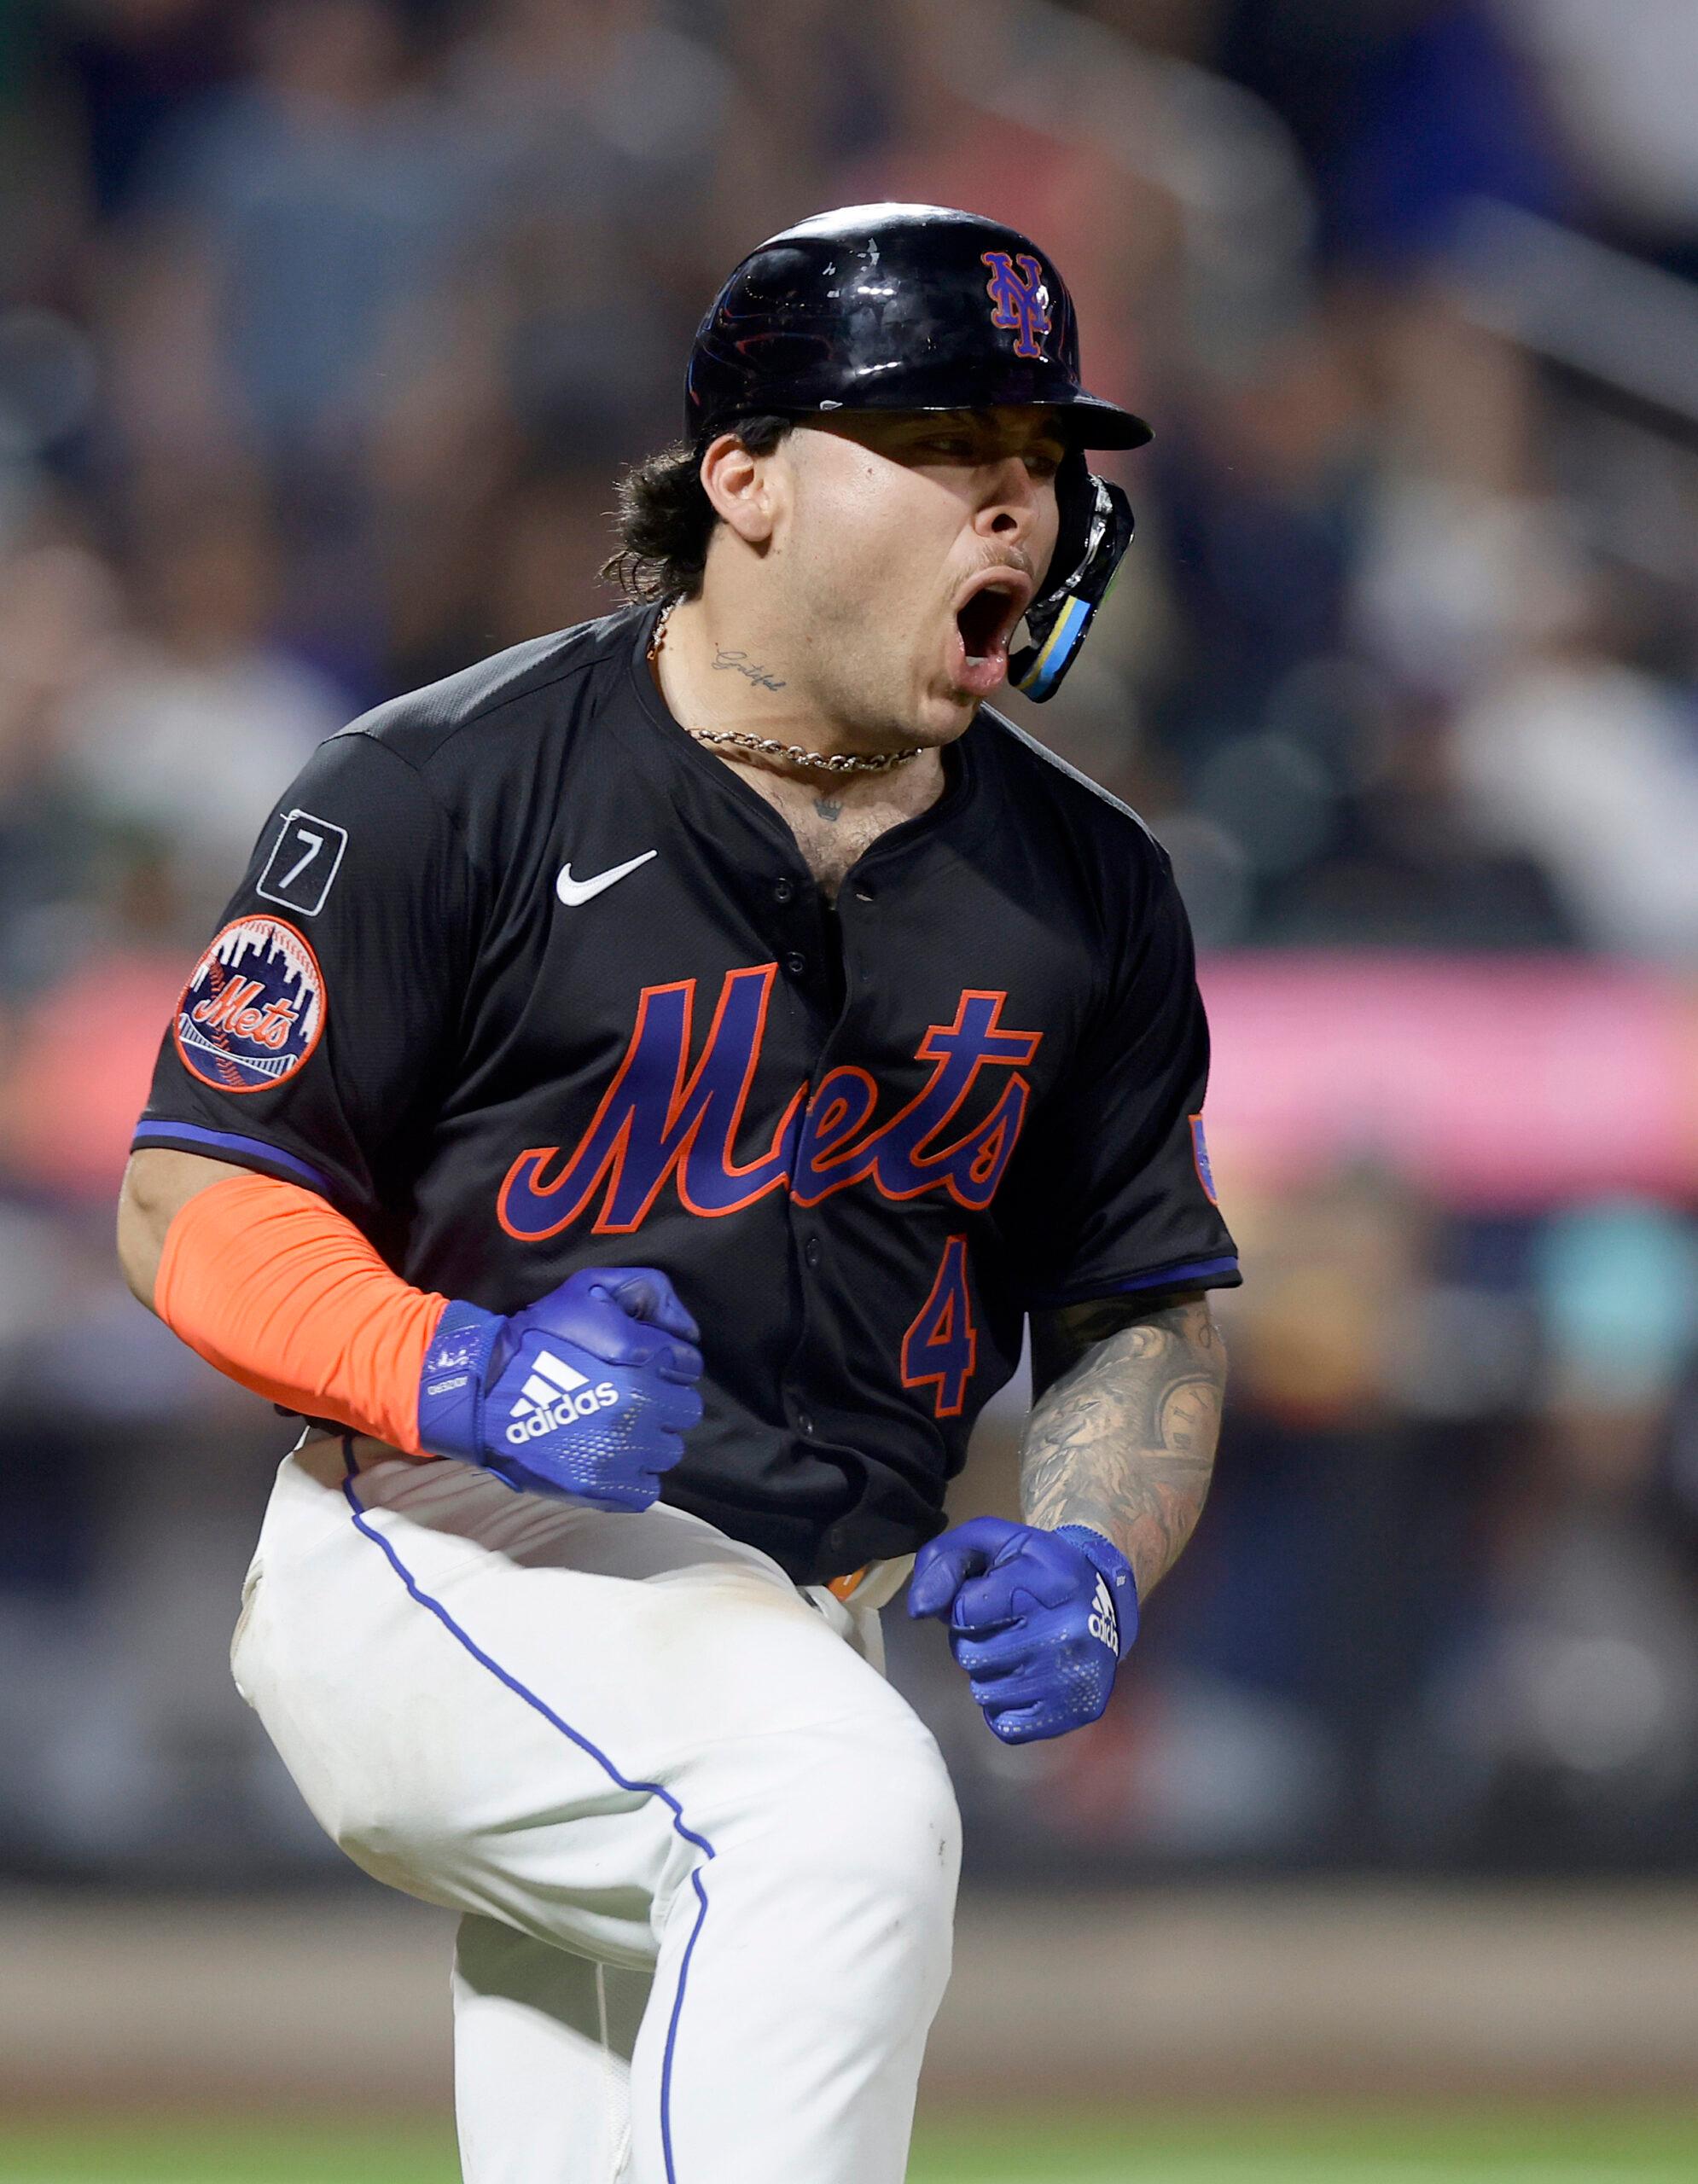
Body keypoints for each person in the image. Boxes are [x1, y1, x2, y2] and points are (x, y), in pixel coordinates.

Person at [115, 204, 1237, 2184]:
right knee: (837, 1811)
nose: (1017, 503)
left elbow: (1132, 1301)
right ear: (744, 482)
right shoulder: (443, 784)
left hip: (794, 1616)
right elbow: (188, 1198)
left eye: (1039, 459)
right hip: (454, 1543)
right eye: (944, 446)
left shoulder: (1091, 887)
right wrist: (464, 1370)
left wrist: (1091, 1544)